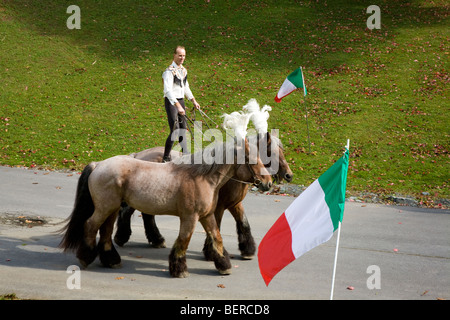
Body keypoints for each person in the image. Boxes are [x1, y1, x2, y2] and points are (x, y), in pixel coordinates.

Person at [162, 45, 201, 162]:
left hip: (181, 100)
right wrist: (177, 106)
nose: (182, 58)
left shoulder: (183, 71)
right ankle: (165, 157)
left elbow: (186, 87)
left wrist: (193, 100)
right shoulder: (169, 72)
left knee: (183, 130)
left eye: (183, 56)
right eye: (180, 55)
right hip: (171, 102)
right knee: (175, 130)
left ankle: (186, 156)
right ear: (174, 55)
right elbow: (167, 91)